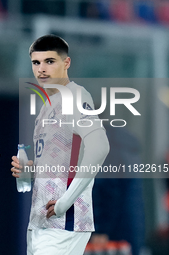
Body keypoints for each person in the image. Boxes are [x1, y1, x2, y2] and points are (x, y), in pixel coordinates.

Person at [11, 35, 110, 255]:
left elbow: (99, 147)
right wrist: (30, 169)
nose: (42, 69)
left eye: (50, 61)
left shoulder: (74, 96)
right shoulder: (48, 104)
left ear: (66, 63)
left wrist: (65, 202)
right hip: (41, 221)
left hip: (65, 220)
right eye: (36, 63)